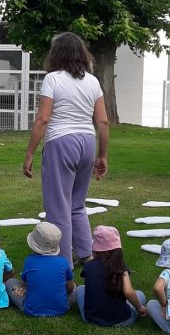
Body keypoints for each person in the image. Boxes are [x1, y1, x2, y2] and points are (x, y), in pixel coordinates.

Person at [22, 32, 110, 266]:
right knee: (77, 205)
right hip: (88, 143)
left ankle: (64, 263)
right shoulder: (93, 81)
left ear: (56, 54)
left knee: (58, 207)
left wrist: (30, 153)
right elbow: (102, 121)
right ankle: (86, 254)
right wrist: (102, 155)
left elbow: (42, 119)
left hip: (61, 142)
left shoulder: (52, 79)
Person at [74, 226, 147, 327]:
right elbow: (128, 291)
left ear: (95, 250)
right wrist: (139, 307)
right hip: (123, 321)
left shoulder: (88, 266)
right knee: (140, 295)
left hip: (91, 319)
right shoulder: (120, 266)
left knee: (80, 289)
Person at [5, 222, 75, 316]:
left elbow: (25, 285)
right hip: (62, 308)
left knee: (10, 283)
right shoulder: (63, 262)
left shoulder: (29, 261)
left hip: (31, 309)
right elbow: (70, 288)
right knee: (75, 287)